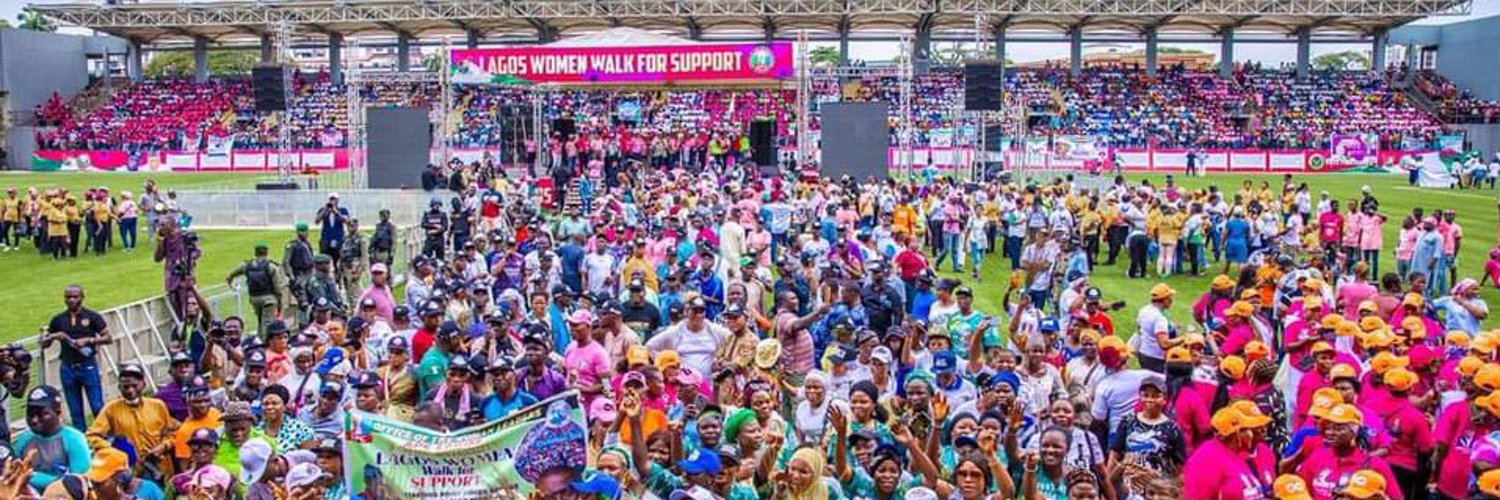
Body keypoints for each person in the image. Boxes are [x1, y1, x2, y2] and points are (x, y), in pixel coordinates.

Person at [44, 284, 110, 431]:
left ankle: (103, 435)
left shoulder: (92, 316)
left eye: (75, 297)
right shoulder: (58, 319)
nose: (71, 300)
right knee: (75, 409)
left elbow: (108, 338)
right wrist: (51, 337)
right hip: (68, 367)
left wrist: (89, 340)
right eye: (68, 297)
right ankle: (81, 438)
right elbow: (45, 343)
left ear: (82, 297)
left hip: (88, 366)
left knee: (97, 405)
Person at [12, 385, 90, 492]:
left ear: (58, 412)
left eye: (42, 414)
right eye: (30, 414)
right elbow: (13, 475)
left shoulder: (74, 439)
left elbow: (78, 483)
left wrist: (31, 477)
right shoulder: (24, 439)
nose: (34, 420)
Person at [226, 242, 293, 334]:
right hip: (269, 299)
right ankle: (265, 344)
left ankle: (259, 339)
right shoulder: (271, 266)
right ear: (266, 252)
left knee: (260, 321)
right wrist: (280, 302)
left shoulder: (247, 265)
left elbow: (230, 276)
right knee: (267, 323)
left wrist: (232, 287)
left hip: (254, 298)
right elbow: (277, 287)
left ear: (255, 252)